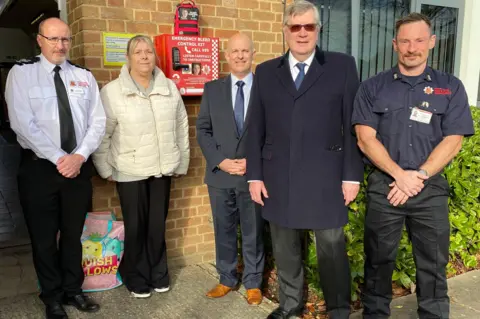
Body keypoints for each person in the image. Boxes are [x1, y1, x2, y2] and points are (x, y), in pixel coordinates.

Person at [352, 13, 474, 319]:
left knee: (433, 266)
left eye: (419, 40)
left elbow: (454, 139)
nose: (412, 47)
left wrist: (418, 175)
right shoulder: (373, 87)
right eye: (405, 41)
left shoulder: (451, 87)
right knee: (378, 263)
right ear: (395, 45)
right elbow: (365, 139)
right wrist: (399, 175)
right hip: (386, 188)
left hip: (429, 189)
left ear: (431, 43)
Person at [246, 1, 364, 318]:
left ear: (318, 30)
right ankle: (290, 304)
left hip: (326, 175)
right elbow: (255, 126)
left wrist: (352, 176)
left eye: (308, 26)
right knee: (284, 246)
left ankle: (339, 308)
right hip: (277, 176)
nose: (302, 33)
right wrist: (254, 176)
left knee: (331, 247)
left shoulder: (342, 67)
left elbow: (353, 126)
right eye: (295, 26)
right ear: (285, 30)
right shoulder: (267, 72)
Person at [5, 17, 105, 319]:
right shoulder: (22, 74)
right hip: (40, 170)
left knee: (73, 236)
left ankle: (74, 290)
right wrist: (60, 158)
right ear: (39, 40)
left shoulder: (84, 77)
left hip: (77, 168)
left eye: (65, 39)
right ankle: (51, 296)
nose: (60, 45)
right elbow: (22, 124)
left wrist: (79, 156)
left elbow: (97, 121)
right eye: (53, 39)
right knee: (44, 238)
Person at [92, 35, 190, 299]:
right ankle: (136, 276)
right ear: (128, 57)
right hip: (129, 170)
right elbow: (103, 134)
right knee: (135, 227)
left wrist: (181, 161)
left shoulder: (169, 87)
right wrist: (104, 168)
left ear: (155, 57)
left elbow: (182, 126)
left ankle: (159, 274)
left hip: (162, 169)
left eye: (149, 51)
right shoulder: (112, 92)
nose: (144, 56)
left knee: (157, 225)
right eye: (138, 52)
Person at [196, 33, 264, 305]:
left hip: (252, 176)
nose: (240, 56)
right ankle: (226, 278)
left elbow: (273, 132)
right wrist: (220, 161)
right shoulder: (212, 89)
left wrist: (255, 161)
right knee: (223, 229)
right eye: (235, 51)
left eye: (245, 51)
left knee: (253, 230)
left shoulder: (265, 88)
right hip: (221, 174)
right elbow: (203, 129)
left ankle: (253, 282)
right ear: (226, 55)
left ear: (252, 53)